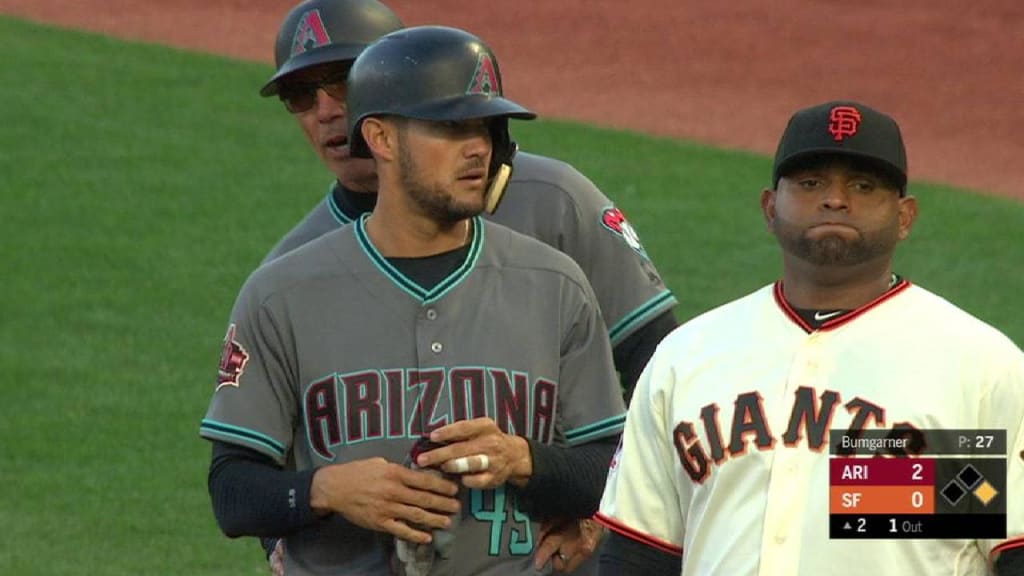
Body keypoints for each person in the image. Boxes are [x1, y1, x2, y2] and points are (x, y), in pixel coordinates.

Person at [255, 0, 679, 572]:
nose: (328, 111)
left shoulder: (553, 201)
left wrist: (598, 511)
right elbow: (270, 449)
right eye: (301, 96)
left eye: (344, 81)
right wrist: (282, 535)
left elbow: (666, 375)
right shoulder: (293, 267)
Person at [594, 101, 1024, 575]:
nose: (836, 199)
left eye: (864, 186)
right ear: (769, 207)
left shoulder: (980, 367)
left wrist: (883, 487)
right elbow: (637, 556)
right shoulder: (687, 356)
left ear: (905, 217)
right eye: (811, 183)